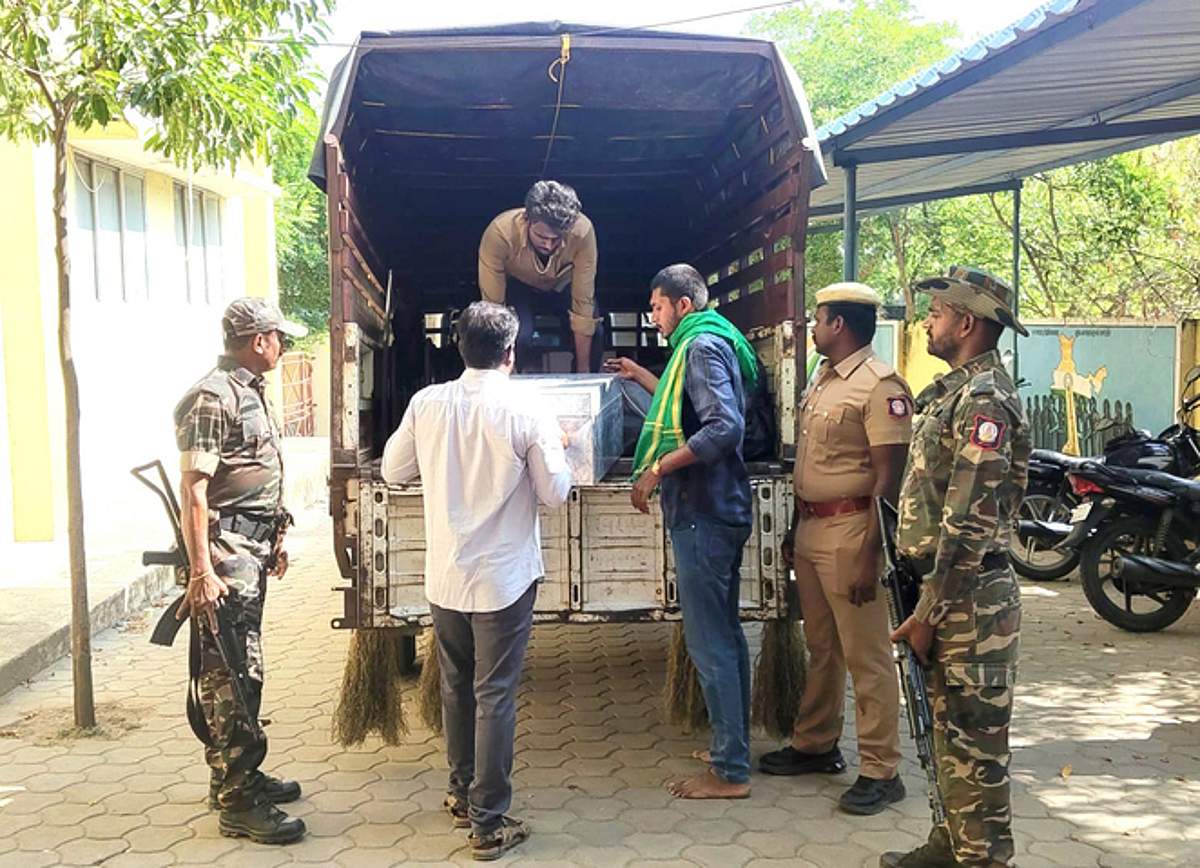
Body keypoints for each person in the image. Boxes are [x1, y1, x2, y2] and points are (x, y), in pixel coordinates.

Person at [381, 301, 572, 861]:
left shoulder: (427, 404)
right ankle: (488, 823)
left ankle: (461, 793)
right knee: (495, 695)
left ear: (459, 349)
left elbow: (394, 471)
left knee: (455, 685)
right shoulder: (525, 408)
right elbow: (554, 492)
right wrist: (561, 444)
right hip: (503, 579)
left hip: (446, 575)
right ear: (511, 352)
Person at [881, 267, 1030, 868]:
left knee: (975, 744)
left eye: (937, 312)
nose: (927, 321)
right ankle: (952, 843)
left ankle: (984, 857)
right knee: (947, 736)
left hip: (969, 601)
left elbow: (968, 523)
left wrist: (927, 614)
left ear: (967, 323)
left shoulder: (985, 400)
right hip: (945, 592)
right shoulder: (957, 390)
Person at [760, 283, 913, 817]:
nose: (813, 327)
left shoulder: (879, 385)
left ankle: (881, 768)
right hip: (811, 528)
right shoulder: (824, 378)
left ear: (840, 325)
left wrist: (873, 552)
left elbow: (889, 480)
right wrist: (791, 533)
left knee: (866, 654)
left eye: (819, 319)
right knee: (822, 647)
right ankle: (816, 744)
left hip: (853, 532)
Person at [173, 297, 308, 844]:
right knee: (232, 674)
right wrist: (202, 570)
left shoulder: (247, 390)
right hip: (224, 556)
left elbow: (248, 476)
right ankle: (238, 801)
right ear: (259, 341)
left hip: (247, 550)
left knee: (239, 670)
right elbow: (195, 491)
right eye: (279, 337)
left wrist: (272, 538)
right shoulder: (212, 397)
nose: (283, 346)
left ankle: (237, 777)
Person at [626, 263, 758, 799]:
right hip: (718, 506)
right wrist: (639, 376)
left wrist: (657, 469)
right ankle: (734, 748)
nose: (653, 317)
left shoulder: (699, 347)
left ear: (681, 305)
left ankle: (729, 772)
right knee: (725, 636)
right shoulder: (710, 342)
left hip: (705, 509)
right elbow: (688, 409)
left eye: (657, 307)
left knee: (710, 643)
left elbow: (723, 426)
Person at [478, 180, 599, 372]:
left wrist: (584, 372)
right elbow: (494, 310)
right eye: (542, 237)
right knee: (519, 334)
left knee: (596, 330)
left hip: (564, 285)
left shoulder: (583, 232)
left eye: (557, 239)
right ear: (527, 219)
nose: (549, 246)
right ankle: (520, 376)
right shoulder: (499, 233)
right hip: (519, 287)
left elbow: (583, 305)